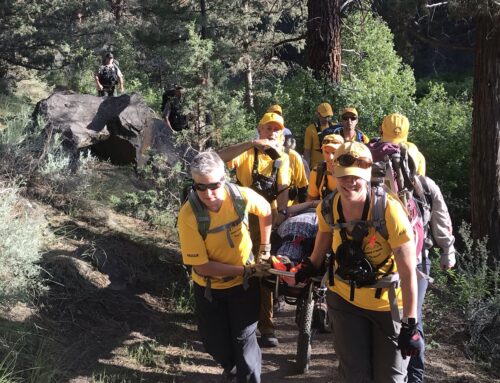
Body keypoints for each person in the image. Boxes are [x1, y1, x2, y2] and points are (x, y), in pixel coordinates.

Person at [296, 141, 423, 383]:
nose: (349, 182)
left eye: (356, 176)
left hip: (387, 306)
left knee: (390, 378)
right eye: (343, 176)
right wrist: (310, 265)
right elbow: (323, 238)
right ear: (334, 174)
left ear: (367, 176)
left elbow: (408, 272)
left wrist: (410, 324)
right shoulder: (328, 207)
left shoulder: (389, 211)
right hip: (344, 299)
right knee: (354, 375)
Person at [177, 151, 273, 383]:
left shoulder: (240, 197)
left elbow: (266, 210)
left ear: (225, 178)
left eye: (214, 185)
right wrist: (245, 270)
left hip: (244, 286)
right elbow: (202, 267)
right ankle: (231, 367)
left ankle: (246, 376)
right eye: (200, 187)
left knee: (244, 342)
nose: (208, 194)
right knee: (213, 342)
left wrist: (265, 247)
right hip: (210, 288)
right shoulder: (189, 215)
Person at [218, 112, 290, 348]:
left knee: (264, 269)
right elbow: (218, 159)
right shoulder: (246, 152)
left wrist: (281, 216)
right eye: (268, 129)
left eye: (277, 129)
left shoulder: (283, 158)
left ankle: (266, 326)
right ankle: (237, 323)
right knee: (237, 265)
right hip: (238, 217)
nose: (272, 133)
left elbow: (283, 190)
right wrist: (251, 144)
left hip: (266, 220)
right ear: (259, 130)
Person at [408, 175, 456, 383]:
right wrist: (447, 251)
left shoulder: (372, 177)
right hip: (418, 261)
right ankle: (414, 377)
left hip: (383, 261)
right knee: (413, 317)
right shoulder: (425, 184)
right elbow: (442, 220)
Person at [307, 134, 344, 201]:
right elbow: (311, 200)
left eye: (334, 152)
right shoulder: (318, 172)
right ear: (322, 152)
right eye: (327, 152)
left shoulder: (350, 173)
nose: (330, 157)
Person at [303, 102, 339, 170]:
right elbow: (307, 151)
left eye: (329, 116)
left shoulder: (336, 128)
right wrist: (306, 170)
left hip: (333, 167)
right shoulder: (310, 129)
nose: (327, 119)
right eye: (324, 116)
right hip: (316, 168)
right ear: (318, 114)